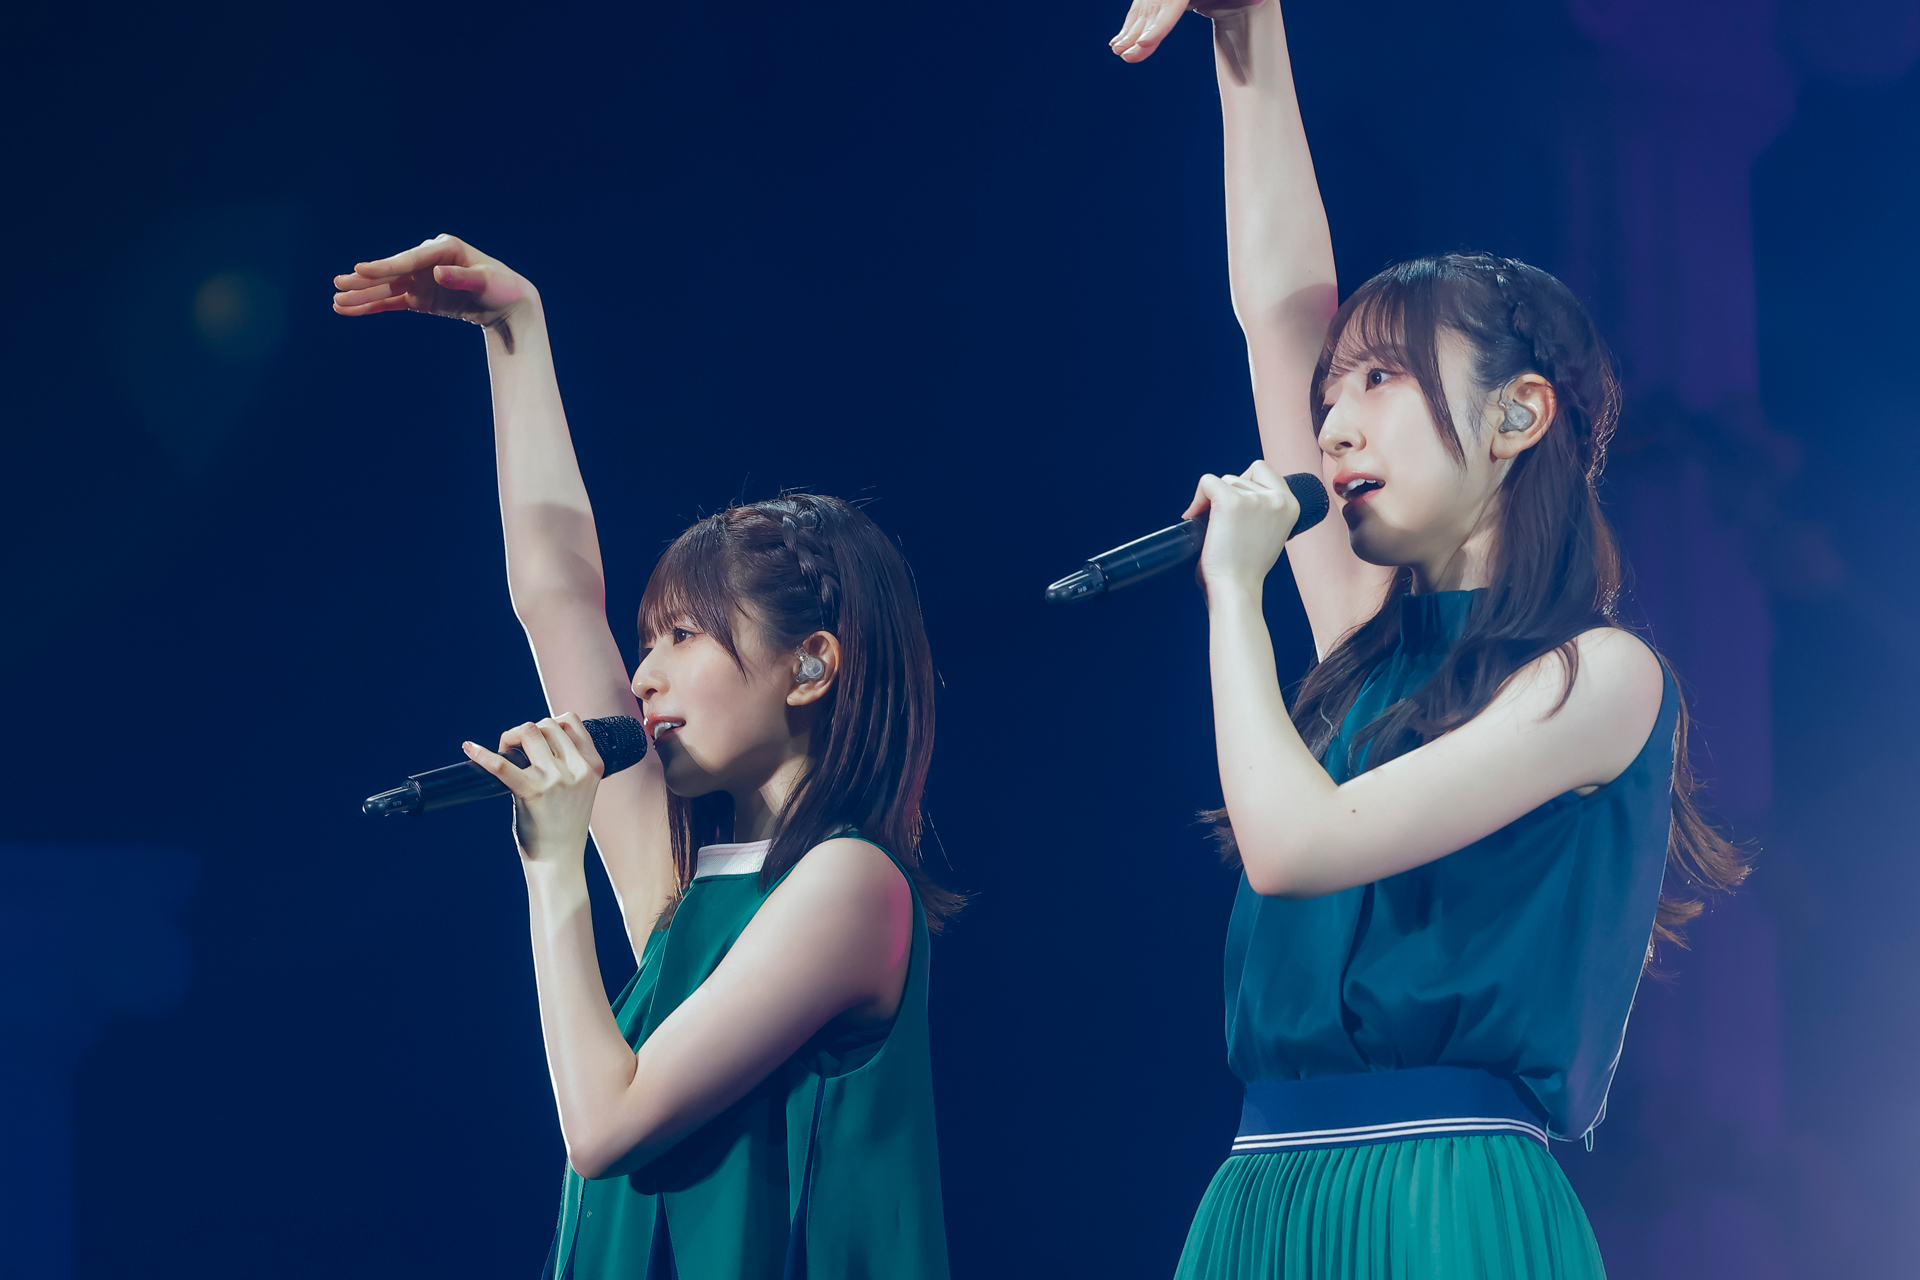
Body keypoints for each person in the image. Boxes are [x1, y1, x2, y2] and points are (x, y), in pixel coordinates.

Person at [1107, 3, 1748, 1277]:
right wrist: (1249, 32)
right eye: (1332, 393)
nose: (1333, 425)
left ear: (1518, 415)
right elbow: (1278, 314)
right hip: (1256, 1193)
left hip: (1444, 1188)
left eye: (1382, 380)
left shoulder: (1599, 677)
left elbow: (1298, 846)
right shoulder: (1369, 638)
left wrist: (1234, 596)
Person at [332, 237, 958, 1280]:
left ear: (810, 664)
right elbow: (554, 596)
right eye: (646, 640)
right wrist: (515, 330)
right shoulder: (687, 878)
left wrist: (552, 866)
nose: (643, 677)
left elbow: (604, 1126)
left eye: (682, 636)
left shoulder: (852, 883)